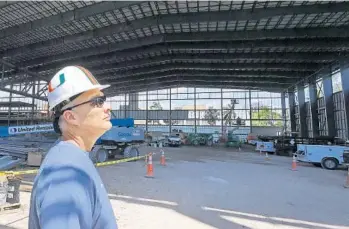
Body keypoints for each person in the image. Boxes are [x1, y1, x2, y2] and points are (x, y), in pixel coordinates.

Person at [28, 66, 118, 229]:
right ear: (71, 116)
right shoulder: (65, 176)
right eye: (98, 101)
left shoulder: (74, 159)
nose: (108, 107)